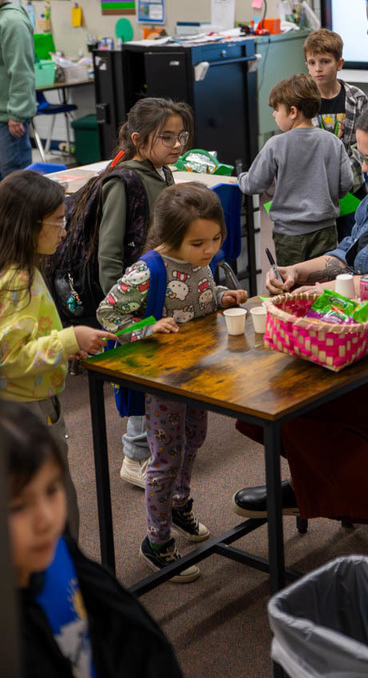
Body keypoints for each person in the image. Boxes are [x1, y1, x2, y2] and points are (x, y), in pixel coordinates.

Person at [232, 95, 368, 555]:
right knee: (257, 403)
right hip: (359, 342)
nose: (365, 169)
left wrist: (343, 290)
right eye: (360, 157)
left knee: (295, 414)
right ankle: (319, 484)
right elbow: (347, 252)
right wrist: (303, 272)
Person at [97, 182, 248, 581]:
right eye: (198, 243)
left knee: (195, 440)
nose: (209, 250)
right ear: (170, 237)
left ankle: (179, 506)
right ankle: (156, 539)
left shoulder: (201, 258)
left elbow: (197, 296)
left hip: (199, 372)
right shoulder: (147, 269)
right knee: (165, 458)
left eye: (216, 239)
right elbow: (108, 314)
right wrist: (147, 327)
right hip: (164, 380)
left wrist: (221, 296)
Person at [52, 97, 194, 491]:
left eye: (180, 135)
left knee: (159, 369)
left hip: (157, 288)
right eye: (166, 137)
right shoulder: (125, 180)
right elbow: (110, 254)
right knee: (140, 374)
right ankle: (134, 457)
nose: (177, 144)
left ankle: (156, 445)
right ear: (138, 139)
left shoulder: (162, 173)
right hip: (130, 298)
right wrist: (121, 308)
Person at [1, 402, 184, 678]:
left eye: (51, 490)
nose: (46, 519)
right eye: (18, 507)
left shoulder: (59, 555)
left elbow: (136, 640)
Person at [0, 171, 116, 538]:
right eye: (58, 221)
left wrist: (67, 346)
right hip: (24, 410)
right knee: (51, 510)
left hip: (31, 402)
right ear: (28, 225)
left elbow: (27, 336)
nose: (64, 231)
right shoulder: (15, 282)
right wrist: (67, 341)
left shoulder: (24, 269)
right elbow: (9, 357)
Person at [237, 73, 354, 267]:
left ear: (292, 111)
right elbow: (346, 183)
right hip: (326, 230)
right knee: (322, 283)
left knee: (292, 286)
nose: (274, 114)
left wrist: (240, 178)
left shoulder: (276, 144)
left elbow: (254, 184)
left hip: (289, 235)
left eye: (276, 110)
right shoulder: (333, 141)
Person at [304, 28, 368, 238]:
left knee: (352, 241)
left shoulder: (357, 99)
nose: (318, 69)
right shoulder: (302, 102)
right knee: (321, 247)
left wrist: (342, 177)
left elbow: (362, 146)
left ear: (339, 64)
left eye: (325, 61)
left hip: (351, 187)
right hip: (316, 192)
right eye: (312, 63)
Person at [0, 0, 36, 179]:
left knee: (14, 185)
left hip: (8, 122)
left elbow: (21, 70)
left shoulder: (11, 21)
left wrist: (17, 113)